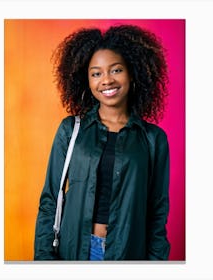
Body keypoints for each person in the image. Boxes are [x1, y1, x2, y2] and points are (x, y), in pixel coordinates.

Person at [34, 24, 170, 260]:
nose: (106, 80)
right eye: (96, 73)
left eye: (116, 70)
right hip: (74, 252)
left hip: (128, 254)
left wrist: (156, 265)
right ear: (86, 81)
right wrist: (44, 260)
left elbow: (157, 211)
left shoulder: (153, 139)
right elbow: (50, 201)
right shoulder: (71, 130)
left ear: (132, 73)